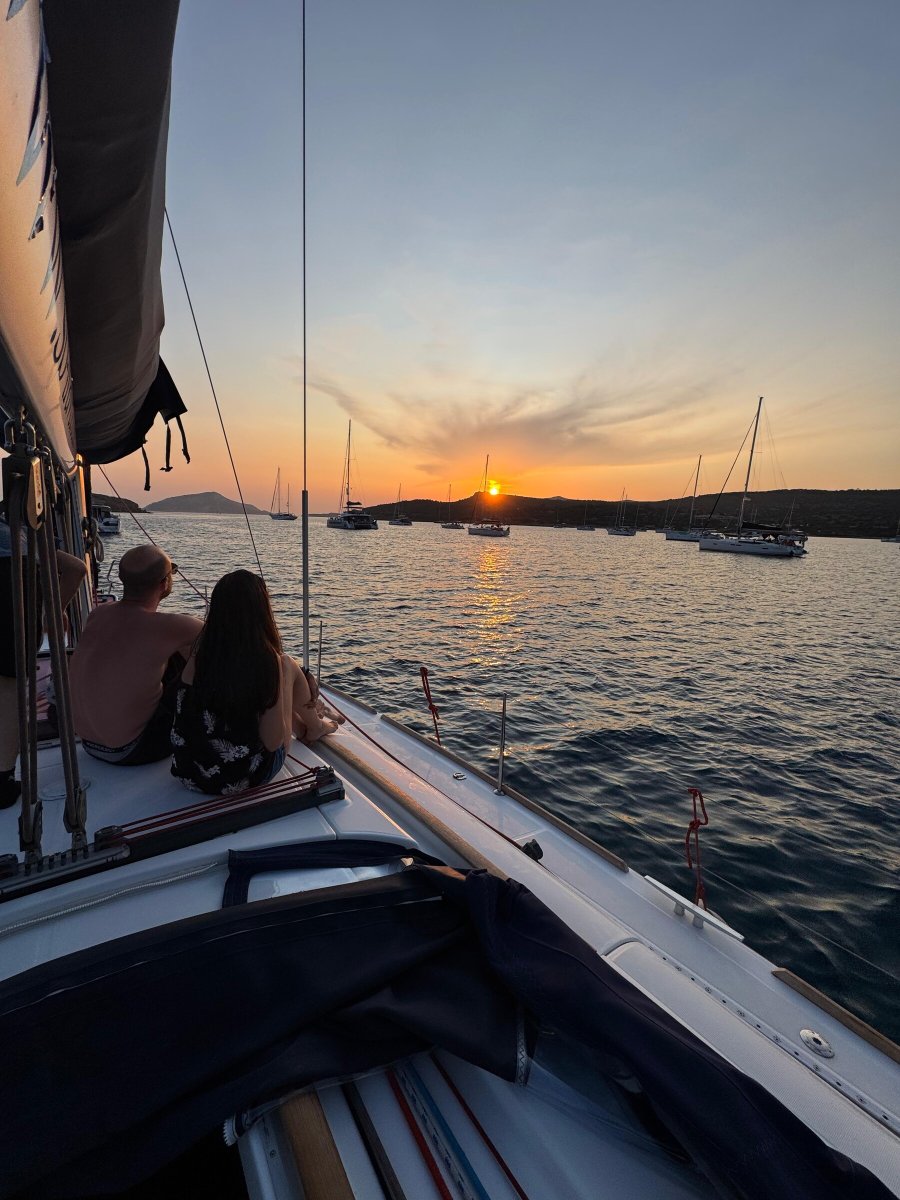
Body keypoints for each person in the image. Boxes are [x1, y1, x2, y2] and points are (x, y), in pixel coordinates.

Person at [170, 569, 337, 795]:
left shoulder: (200, 654)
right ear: (262, 610)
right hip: (245, 780)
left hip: (191, 775)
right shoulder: (266, 661)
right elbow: (272, 742)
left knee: (279, 674)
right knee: (287, 663)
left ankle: (305, 722)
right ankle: (314, 726)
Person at [69, 545, 203, 765]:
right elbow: (223, 642)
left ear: (122, 579)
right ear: (164, 583)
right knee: (197, 661)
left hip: (88, 744)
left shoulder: (98, 614)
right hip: (131, 750)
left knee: (174, 653)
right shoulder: (168, 627)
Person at [1, 514, 88, 808]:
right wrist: (49, 614)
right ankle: (2, 780)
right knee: (10, 692)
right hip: (11, 603)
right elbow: (75, 568)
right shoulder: (17, 533)